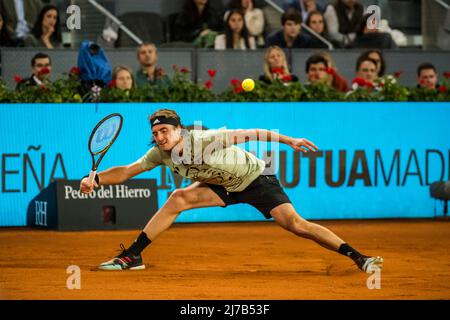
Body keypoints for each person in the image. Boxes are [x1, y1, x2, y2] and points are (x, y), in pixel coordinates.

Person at [79, 109, 383, 273]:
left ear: (178, 130)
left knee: (295, 225)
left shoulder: (206, 139)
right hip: (223, 185)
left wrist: (289, 140)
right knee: (177, 198)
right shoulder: (160, 154)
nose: (159, 137)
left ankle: (358, 256)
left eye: (164, 131)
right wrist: (95, 179)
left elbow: (252, 133)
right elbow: (126, 171)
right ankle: (133, 256)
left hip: (255, 178)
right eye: (155, 133)